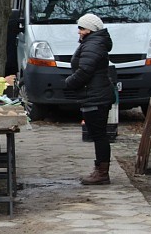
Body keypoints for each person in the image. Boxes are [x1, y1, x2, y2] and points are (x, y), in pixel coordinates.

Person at [64, 13, 116, 185]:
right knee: (97, 134)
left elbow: (85, 71)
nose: (79, 31)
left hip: (95, 96)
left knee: (99, 135)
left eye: (82, 28)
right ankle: (100, 170)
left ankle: (102, 173)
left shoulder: (93, 45)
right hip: (95, 95)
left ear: (90, 30)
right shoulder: (94, 42)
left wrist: (68, 83)